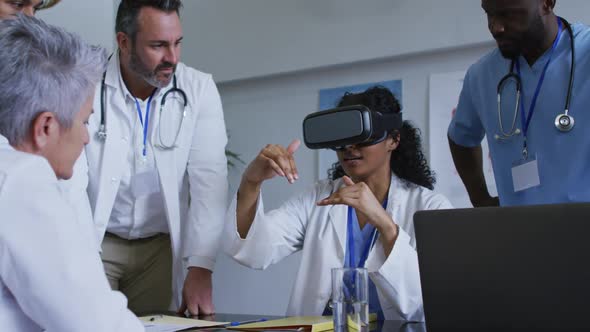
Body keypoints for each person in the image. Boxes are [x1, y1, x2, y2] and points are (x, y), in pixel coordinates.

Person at [224, 86, 453, 321]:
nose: (349, 147)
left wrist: (385, 225)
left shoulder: (430, 208)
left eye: (362, 137)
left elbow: (426, 302)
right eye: (342, 139)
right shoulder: (318, 198)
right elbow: (253, 252)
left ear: (393, 140)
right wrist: (252, 181)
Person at [65, 0, 228, 315]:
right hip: (96, 241)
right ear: (124, 42)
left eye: (177, 43)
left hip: (158, 249)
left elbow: (210, 183)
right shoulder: (83, 84)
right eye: (158, 46)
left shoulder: (198, 89)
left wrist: (201, 267)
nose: (173, 58)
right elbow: (71, 180)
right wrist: (77, 257)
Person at [0, 14, 143, 331]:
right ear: (45, 127)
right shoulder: (19, 180)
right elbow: (97, 323)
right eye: (85, 120)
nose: (86, 136)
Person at [448, 0, 590, 207]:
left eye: (509, 14)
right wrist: (480, 198)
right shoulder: (482, 75)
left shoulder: (584, 54)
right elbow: (460, 138)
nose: (496, 27)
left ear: (547, 3)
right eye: (489, 14)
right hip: (518, 231)